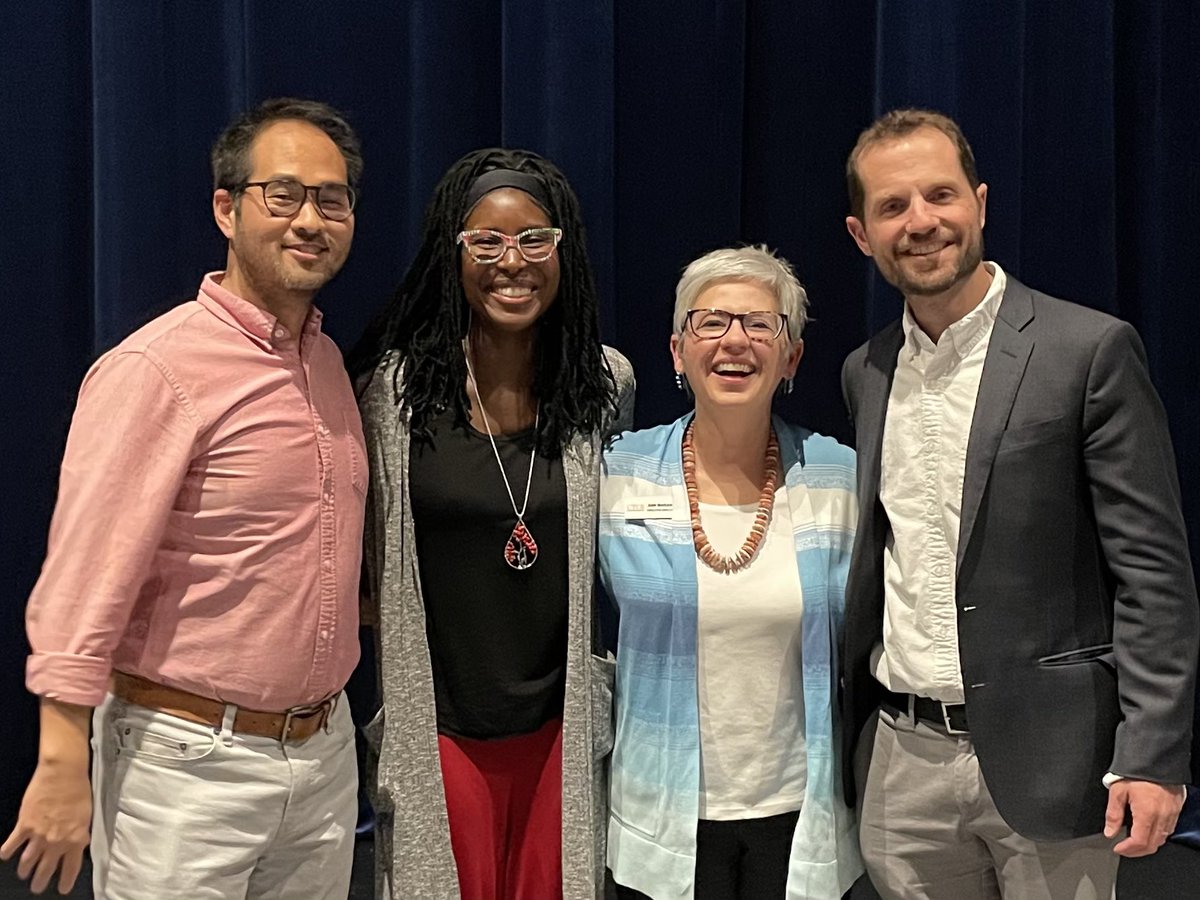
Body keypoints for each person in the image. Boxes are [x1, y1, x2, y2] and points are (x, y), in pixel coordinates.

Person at [0, 97, 365, 899]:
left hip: (323, 759)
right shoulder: (156, 369)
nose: (310, 219)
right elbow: (86, 576)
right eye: (284, 195)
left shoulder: (331, 365)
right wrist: (62, 763)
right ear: (226, 209)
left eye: (331, 200)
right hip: (186, 766)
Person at [839, 108, 1199, 900]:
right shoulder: (865, 371)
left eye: (941, 195)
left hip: (1056, 764)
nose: (922, 222)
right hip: (903, 764)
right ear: (863, 234)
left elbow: (1153, 575)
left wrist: (1152, 754)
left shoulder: (1087, 350)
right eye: (893, 207)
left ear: (981, 203)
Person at [349, 147, 634, 900]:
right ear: (455, 253)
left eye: (535, 239)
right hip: (439, 731)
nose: (514, 262)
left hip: (559, 731)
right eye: (488, 242)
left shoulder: (605, 385)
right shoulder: (392, 393)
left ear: (562, 249)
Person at [598, 246, 863, 899]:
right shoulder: (615, 473)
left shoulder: (840, 478)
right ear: (677, 351)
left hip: (800, 814)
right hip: (660, 814)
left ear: (792, 357)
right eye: (710, 322)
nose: (734, 341)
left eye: (760, 324)